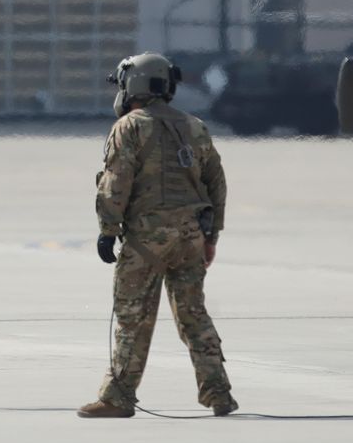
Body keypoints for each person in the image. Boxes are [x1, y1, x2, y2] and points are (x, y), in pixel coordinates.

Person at [78, 53, 237, 419]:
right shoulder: (195, 126)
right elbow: (217, 183)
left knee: (133, 317)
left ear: (133, 84)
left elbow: (116, 182)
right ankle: (219, 392)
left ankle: (118, 397)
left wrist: (108, 230)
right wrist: (211, 236)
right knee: (193, 314)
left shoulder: (130, 127)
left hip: (147, 239)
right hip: (190, 237)